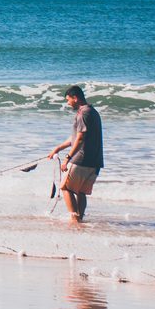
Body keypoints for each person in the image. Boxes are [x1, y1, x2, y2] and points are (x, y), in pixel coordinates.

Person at [49, 85, 103, 223]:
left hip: (81, 159)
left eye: (68, 100)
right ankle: (79, 220)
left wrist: (67, 158)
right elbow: (74, 137)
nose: (68, 103)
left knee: (65, 188)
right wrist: (58, 148)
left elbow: (80, 138)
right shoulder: (93, 112)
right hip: (95, 161)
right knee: (81, 192)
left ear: (75, 98)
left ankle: (74, 219)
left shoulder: (82, 113)